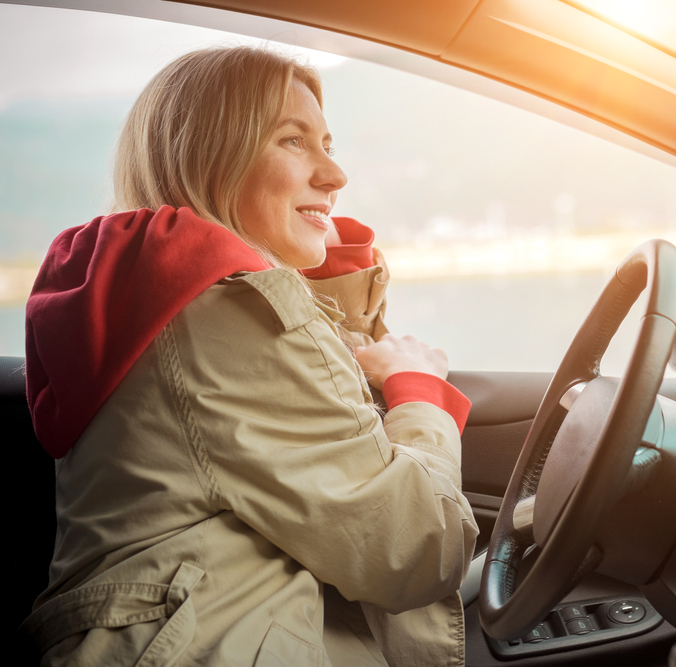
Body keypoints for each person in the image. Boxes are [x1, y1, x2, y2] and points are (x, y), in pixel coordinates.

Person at [19, 46, 478, 666]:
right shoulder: (229, 314)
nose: (335, 176)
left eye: (328, 144)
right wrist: (421, 392)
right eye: (293, 142)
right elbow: (418, 550)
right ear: (211, 157)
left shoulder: (155, 296)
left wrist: (322, 271)